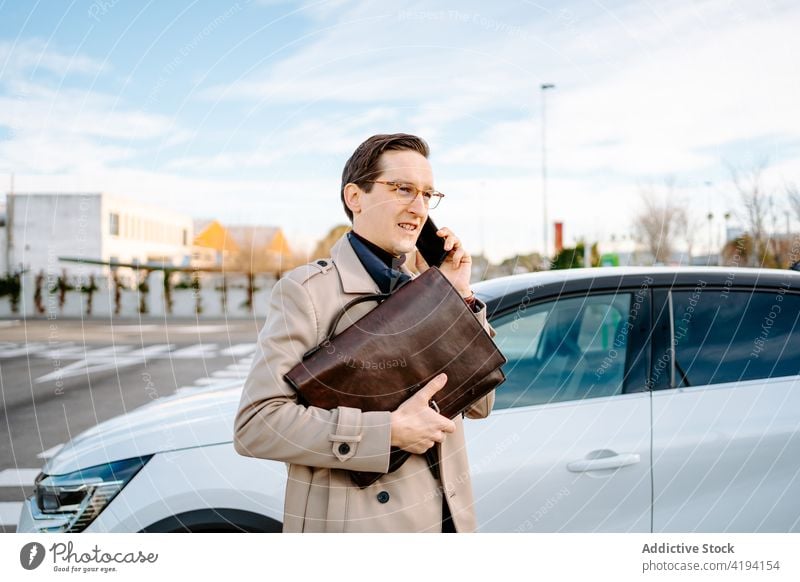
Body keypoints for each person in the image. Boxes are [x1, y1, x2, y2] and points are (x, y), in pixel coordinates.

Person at [233, 133, 495, 533]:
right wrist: (387, 433)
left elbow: (480, 404)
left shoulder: (432, 289)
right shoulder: (307, 292)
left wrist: (458, 294)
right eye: (403, 188)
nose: (419, 207)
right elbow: (256, 426)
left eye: (428, 194)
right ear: (355, 197)